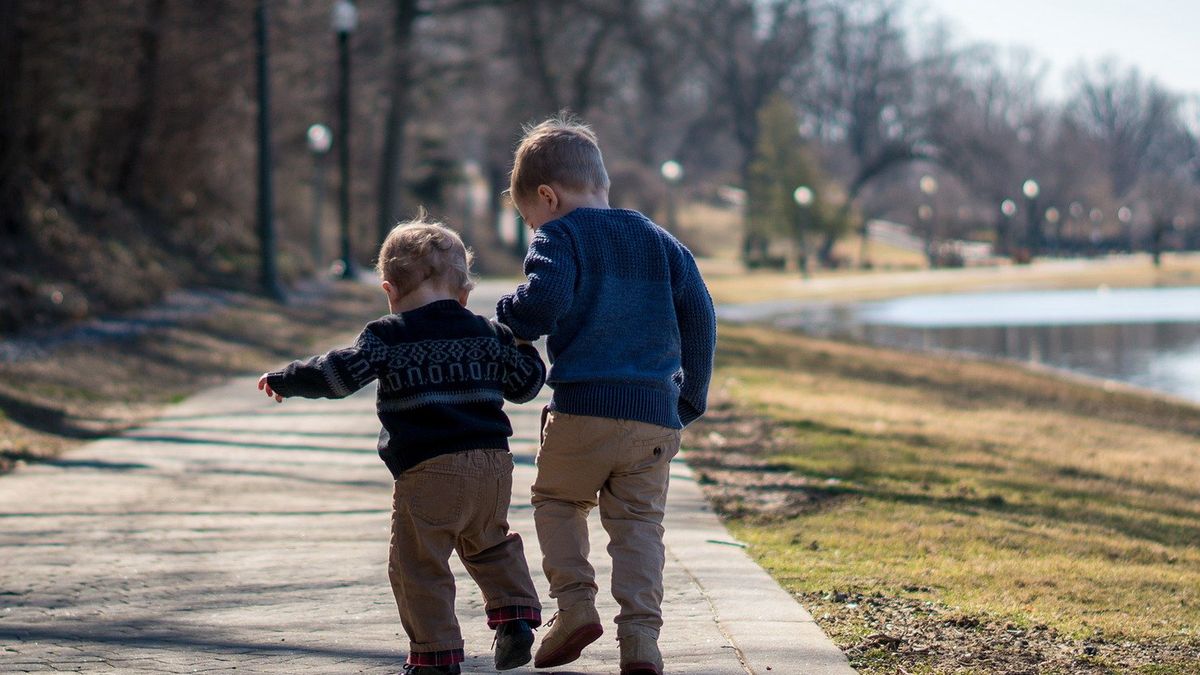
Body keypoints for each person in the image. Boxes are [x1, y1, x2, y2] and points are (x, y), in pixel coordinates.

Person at [258, 219, 545, 675]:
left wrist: (288, 378)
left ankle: (436, 655)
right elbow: (527, 386)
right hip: (493, 465)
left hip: (428, 469)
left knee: (418, 564)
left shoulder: (388, 335)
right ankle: (515, 616)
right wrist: (524, 343)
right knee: (488, 541)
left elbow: (337, 376)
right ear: (464, 291)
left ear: (389, 289)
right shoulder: (488, 333)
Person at [496, 115, 717, 675]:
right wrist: (690, 398)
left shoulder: (559, 236)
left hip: (583, 409)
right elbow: (701, 317)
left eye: (528, 217)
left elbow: (540, 306)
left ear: (548, 196)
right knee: (640, 526)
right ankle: (641, 639)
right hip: (653, 418)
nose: (532, 226)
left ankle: (574, 607)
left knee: (558, 502)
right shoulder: (660, 241)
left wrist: (509, 316)